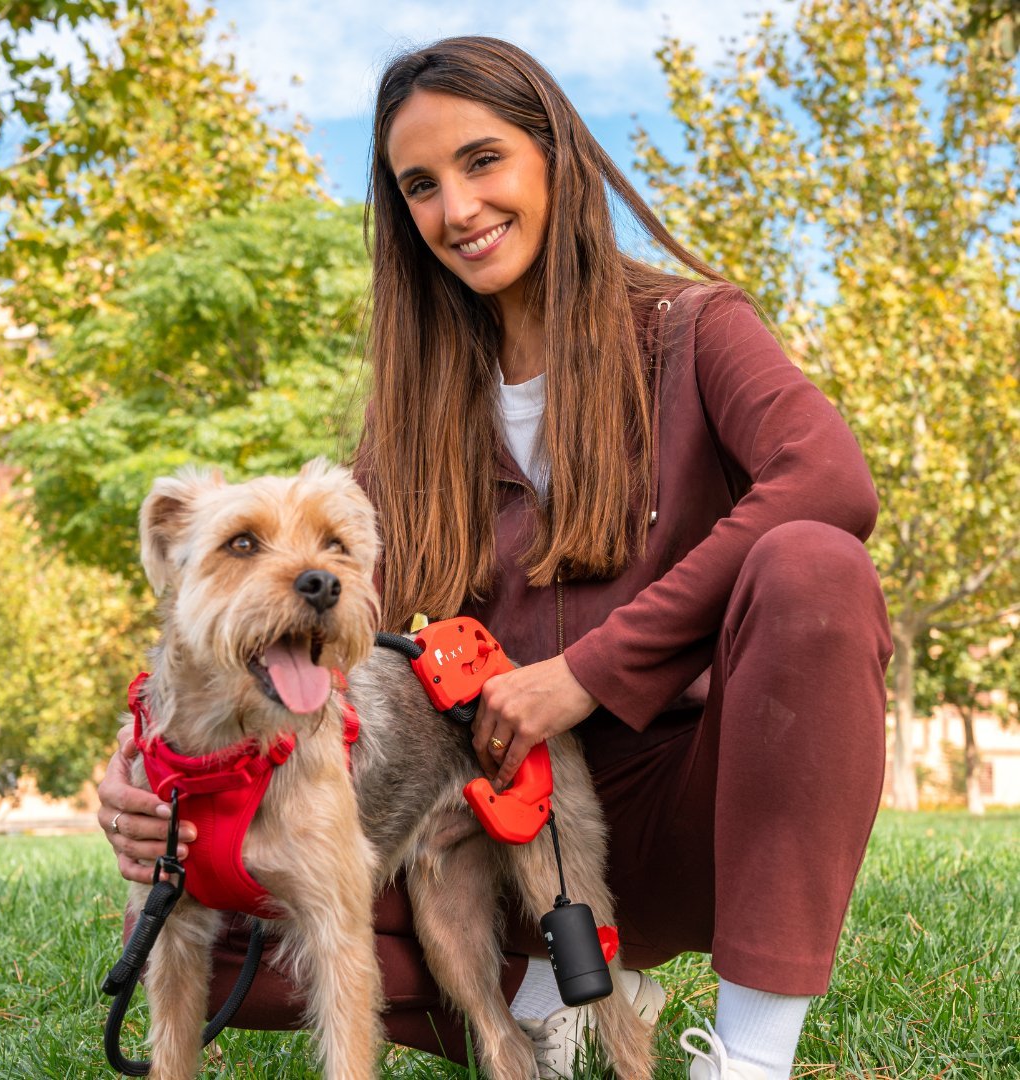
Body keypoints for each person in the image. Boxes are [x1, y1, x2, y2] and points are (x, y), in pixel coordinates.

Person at [97, 36, 893, 1080]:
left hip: (682, 801)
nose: (457, 209)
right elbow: (310, 630)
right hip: (481, 810)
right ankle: (535, 989)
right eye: (420, 185)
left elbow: (834, 481)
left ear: (555, 153)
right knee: (232, 911)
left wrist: (583, 676)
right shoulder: (413, 414)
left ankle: (749, 1053)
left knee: (813, 568)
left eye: (483, 161)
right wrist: (151, 768)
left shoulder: (698, 331)